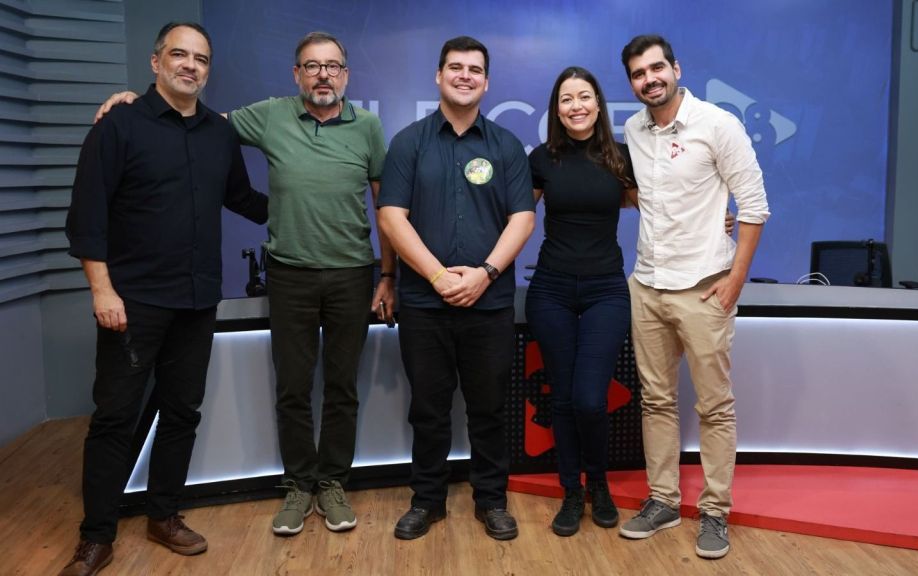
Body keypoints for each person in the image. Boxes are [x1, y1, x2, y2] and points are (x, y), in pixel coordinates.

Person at [96, 31, 395, 536]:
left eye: (333, 66)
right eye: (312, 66)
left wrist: (387, 275)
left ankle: (332, 483)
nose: (323, 74)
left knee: (343, 388)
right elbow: (196, 119)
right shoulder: (270, 115)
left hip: (351, 274)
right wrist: (133, 104)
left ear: (346, 74)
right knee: (293, 389)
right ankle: (300, 485)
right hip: (290, 275)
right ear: (296, 74)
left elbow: (387, 208)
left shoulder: (368, 127)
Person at [61, 22, 268, 576]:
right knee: (114, 419)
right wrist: (102, 290)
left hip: (198, 300)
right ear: (156, 62)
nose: (190, 65)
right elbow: (87, 218)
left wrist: (309, 208)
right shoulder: (118, 125)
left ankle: (164, 515)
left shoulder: (218, 134)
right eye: (179, 54)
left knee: (181, 413)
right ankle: (96, 536)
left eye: (201, 58)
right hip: (133, 302)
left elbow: (243, 199)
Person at [616, 34, 770, 560]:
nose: (649, 79)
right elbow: (647, 194)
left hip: (705, 287)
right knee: (657, 400)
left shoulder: (718, 125)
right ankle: (662, 500)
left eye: (657, 68)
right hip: (647, 285)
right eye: (638, 73)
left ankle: (715, 512)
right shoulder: (634, 129)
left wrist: (734, 282)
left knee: (715, 407)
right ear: (632, 83)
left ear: (677, 69)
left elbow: (753, 206)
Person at [378, 36, 535, 542]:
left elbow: (523, 217)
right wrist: (439, 275)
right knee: (428, 408)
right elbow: (390, 216)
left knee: (489, 409)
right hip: (425, 303)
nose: (464, 76)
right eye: (455, 67)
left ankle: (491, 501)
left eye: (475, 69)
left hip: (488, 304)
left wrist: (485, 273)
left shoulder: (507, 146)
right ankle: (428, 501)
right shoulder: (409, 142)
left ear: (487, 82)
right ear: (438, 77)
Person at [524, 66, 634, 537]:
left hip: (606, 289)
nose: (576, 106)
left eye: (584, 96)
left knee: (591, 399)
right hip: (550, 289)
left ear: (598, 104)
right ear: (556, 109)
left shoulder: (621, 157)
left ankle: (600, 484)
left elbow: (664, 205)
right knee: (566, 399)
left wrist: (718, 222)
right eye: (566, 99)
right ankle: (572, 492)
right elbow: (514, 217)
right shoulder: (542, 158)